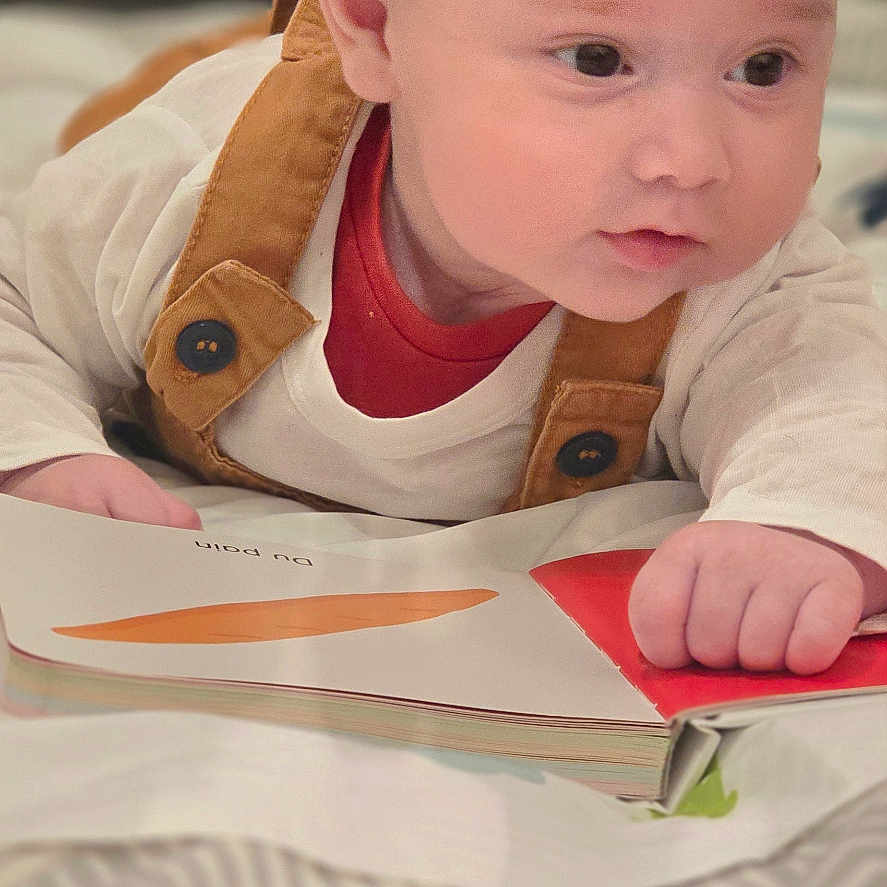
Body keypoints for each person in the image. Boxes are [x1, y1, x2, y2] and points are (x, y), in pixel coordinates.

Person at [0, 0, 885, 675]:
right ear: (378, 27)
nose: (691, 160)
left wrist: (805, 532)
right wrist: (37, 455)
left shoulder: (748, 279)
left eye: (763, 68)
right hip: (276, 90)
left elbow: (842, 411)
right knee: (101, 123)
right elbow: (17, 294)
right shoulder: (187, 179)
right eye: (596, 58)